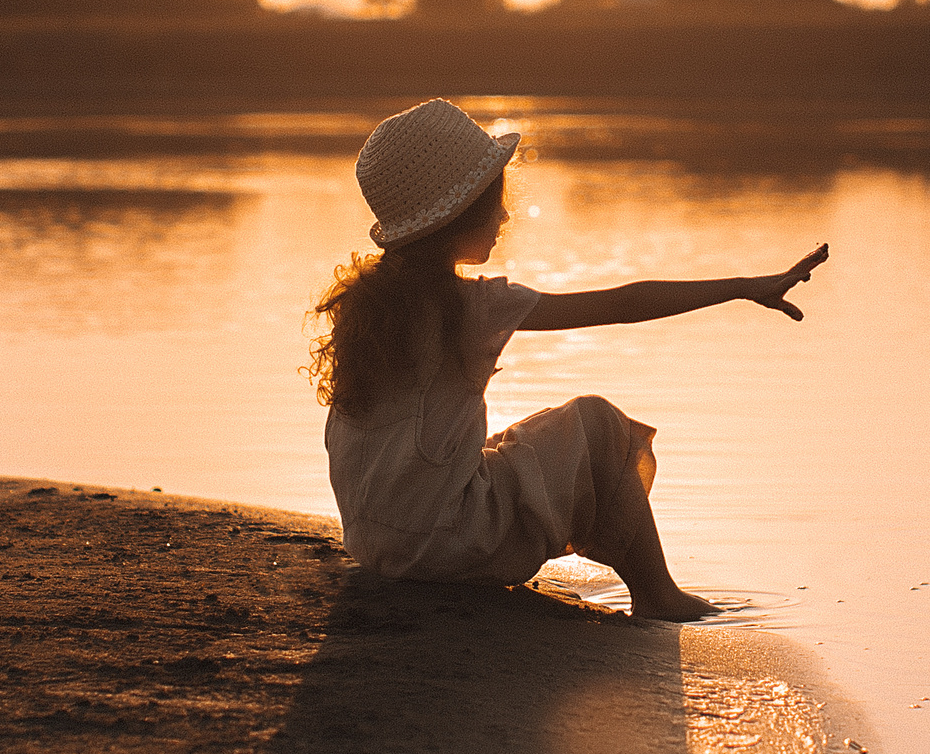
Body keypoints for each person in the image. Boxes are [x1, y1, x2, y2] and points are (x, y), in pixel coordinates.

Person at [309, 99, 828, 620]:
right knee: (598, 425)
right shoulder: (472, 307)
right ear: (461, 213)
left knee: (500, 449)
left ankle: (649, 586)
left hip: (376, 542)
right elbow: (623, 305)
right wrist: (742, 288)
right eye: (496, 202)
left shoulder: (365, 305)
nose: (506, 215)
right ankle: (658, 595)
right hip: (443, 545)